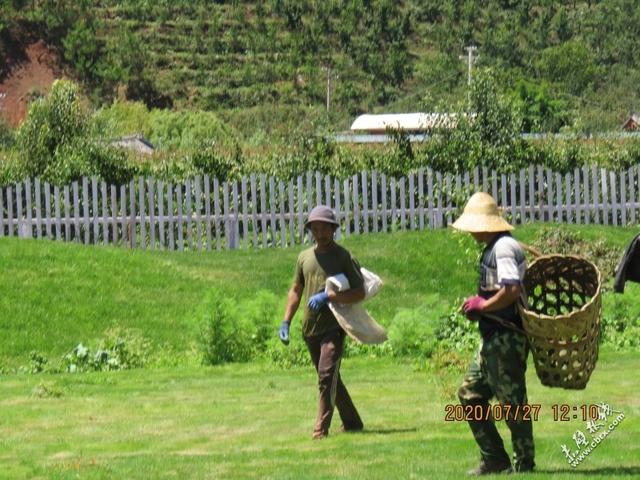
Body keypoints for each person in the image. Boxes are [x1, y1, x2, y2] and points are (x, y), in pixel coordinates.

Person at [451, 192, 535, 475]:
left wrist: (483, 305)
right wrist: (481, 306)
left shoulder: (503, 247)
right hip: (492, 337)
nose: (472, 230)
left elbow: (511, 290)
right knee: (470, 394)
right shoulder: (496, 246)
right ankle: (495, 459)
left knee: (513, 404)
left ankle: (525, 465)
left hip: (507, 338)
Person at [278, 205, 365, 439]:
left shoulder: (343, 257)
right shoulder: (304, 258)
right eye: (315, 229)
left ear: (333, 229)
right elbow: (296, 290)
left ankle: (320, 430)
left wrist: (329, 296)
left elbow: (359, 292)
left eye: (324, 229)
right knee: (329, 377)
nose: (320, 234)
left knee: (327, 376)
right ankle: (353, 422)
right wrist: (286, 321)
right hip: (310, 329)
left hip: (335, 327)